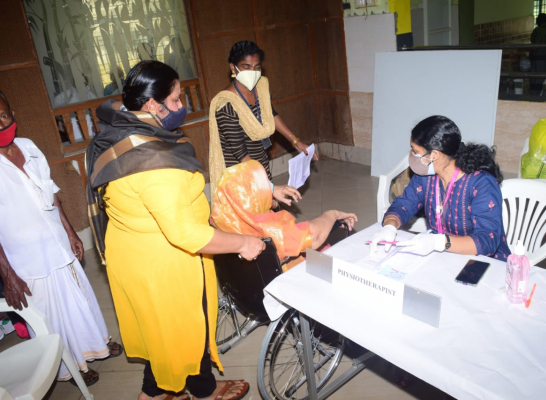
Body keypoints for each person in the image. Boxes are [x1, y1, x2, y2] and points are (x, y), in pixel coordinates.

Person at [86, 60, 265, 400]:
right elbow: (186, 234)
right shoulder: (153, 164)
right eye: (177, 100)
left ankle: (177, 390)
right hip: (165, 264)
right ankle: (190, 391)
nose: (182, 107)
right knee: (186, 326)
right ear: (152, 105)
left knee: (164, 332)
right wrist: (243, 242)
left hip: (134, 251)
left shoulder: (119, 129)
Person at [0, 91, 122, 386]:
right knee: (52, 315)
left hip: (56, 243)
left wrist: (69, 231)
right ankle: (70, 368)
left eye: (2, 116)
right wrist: (7, 274)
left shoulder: (28, 147)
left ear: (12, 113)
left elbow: (51, 191)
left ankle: (98, 345)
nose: (0, 125)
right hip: (27, 261)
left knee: (79, 299)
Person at [370, 115, 511, 262]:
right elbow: (404, 204)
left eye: (415, 151)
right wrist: (390, 226)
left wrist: (437, 242)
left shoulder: (481, 183)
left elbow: (487, 241)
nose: (412, 155)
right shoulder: (426, 176)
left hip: (482, 262)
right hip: (441, 256)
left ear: (435, 155)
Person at [209, 40, 317, 202]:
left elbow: (270, 114)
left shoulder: (261, 88)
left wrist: (296, 141)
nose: (253, 71)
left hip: (260, 163)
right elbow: (241, 154)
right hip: (241, 174)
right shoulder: (226, 104)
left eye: (257, 67)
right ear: (233, 67)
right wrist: (269, 189)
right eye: (246, 67)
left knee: (268, 217)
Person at [211, 160, 357, 269]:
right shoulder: (272, 228)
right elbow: (314, 236)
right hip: (285, 282)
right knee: (326, 251)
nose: (267, 189)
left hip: (247, 294)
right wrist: (333, 213)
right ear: (252, 199)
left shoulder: (218, 227)